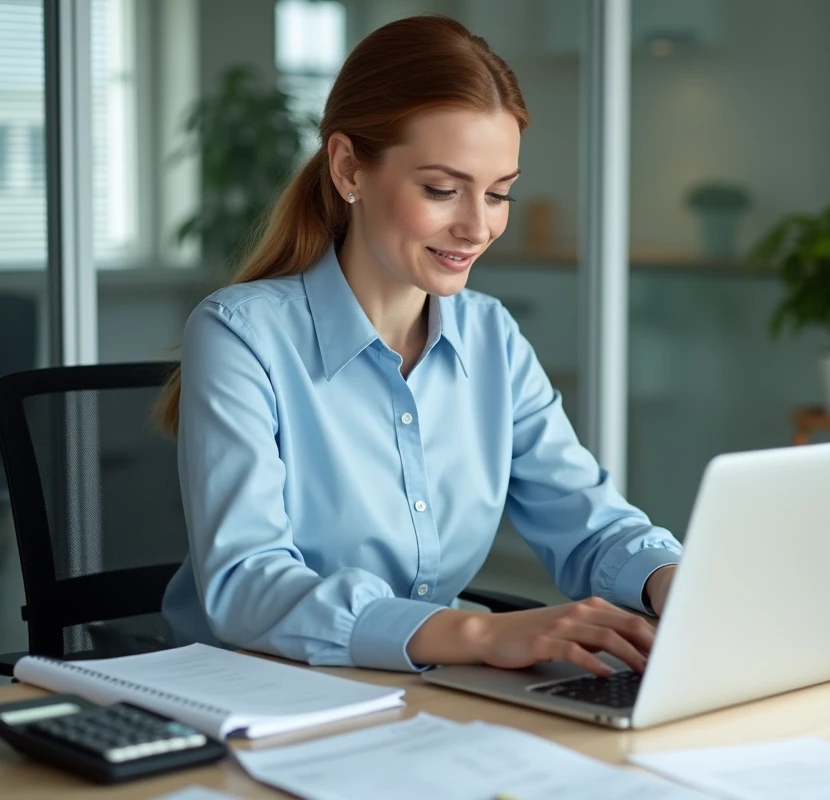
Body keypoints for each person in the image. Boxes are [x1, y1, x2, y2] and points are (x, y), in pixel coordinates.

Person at [157, 15, 682, 678]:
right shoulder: (240, 335)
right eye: (441, 189)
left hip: (423, 691)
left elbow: (589, 524)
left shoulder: (490, 336)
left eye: (499, 194)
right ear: (349, 167)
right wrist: (479, 633)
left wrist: (675, 583)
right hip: (253, 690)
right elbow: (247, 584)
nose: (477, 226)